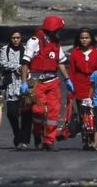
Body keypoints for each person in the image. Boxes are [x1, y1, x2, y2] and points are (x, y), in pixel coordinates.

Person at [20, 15, 74, 152]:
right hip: (37, 82)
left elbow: (60, 63)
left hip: (53, 82)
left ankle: (49, 140)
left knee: (54, 113)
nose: (59, 33)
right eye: (58, 30)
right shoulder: (34, 41)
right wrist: (24, 82)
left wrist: (67, 79)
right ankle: (37, 134)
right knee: (38, 111)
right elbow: (25, 63)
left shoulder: (56, 43)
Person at [0, 30, 32, 150]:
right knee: (12, 113)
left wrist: (25, 71)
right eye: (13, 38)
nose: (16, 40)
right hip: (11, 85)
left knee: (26, 114)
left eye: (18, 37)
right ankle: (17, 133)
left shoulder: (26, 50)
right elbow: (3, 63)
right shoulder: (5, 50)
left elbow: (30, 63)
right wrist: (17, 67)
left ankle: (24, 140)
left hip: (25, 84)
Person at [68, 28, 97, 150]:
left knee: (93, 115)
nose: (84, 40)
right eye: (82, 38)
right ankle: (85, 140)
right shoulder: (75, 53)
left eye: (86, 38)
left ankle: (94, 140)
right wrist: (71, 90)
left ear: (91, 39)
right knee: (83, 116)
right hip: (79, 87)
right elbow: (71, 71)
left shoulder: (96, 53)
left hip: (93, 87)